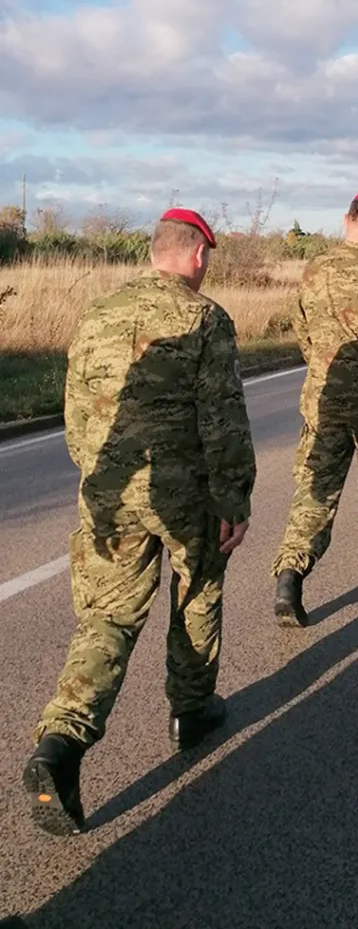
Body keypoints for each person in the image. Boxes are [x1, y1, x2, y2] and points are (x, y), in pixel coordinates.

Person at [24, 208, 256, 836]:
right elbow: (222, 419)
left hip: (109, 490)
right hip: (183, 491)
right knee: (199, 587)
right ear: (197, 255)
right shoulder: (204, 317)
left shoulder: (96, 314)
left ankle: (61, 744)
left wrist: (99, 480)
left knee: (109, 615)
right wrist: (233, 497)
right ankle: (190, 708)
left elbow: (75, 415)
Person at [272, 191, 358, 628]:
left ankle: (291, 577)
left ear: (346, 218)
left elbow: (303, 330)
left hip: (323, 398)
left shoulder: (315, 267)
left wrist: (321, 371)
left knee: (317, 487)